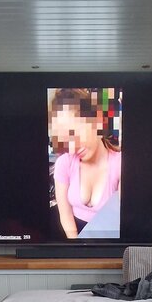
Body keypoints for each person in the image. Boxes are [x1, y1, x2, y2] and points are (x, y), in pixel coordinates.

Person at [49, 88, 121, 238]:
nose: (71, 148)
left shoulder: (120, 165)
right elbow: (66, 216)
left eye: (73, 133)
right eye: (65, 141)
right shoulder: (65, 163)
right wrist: (76, 247)